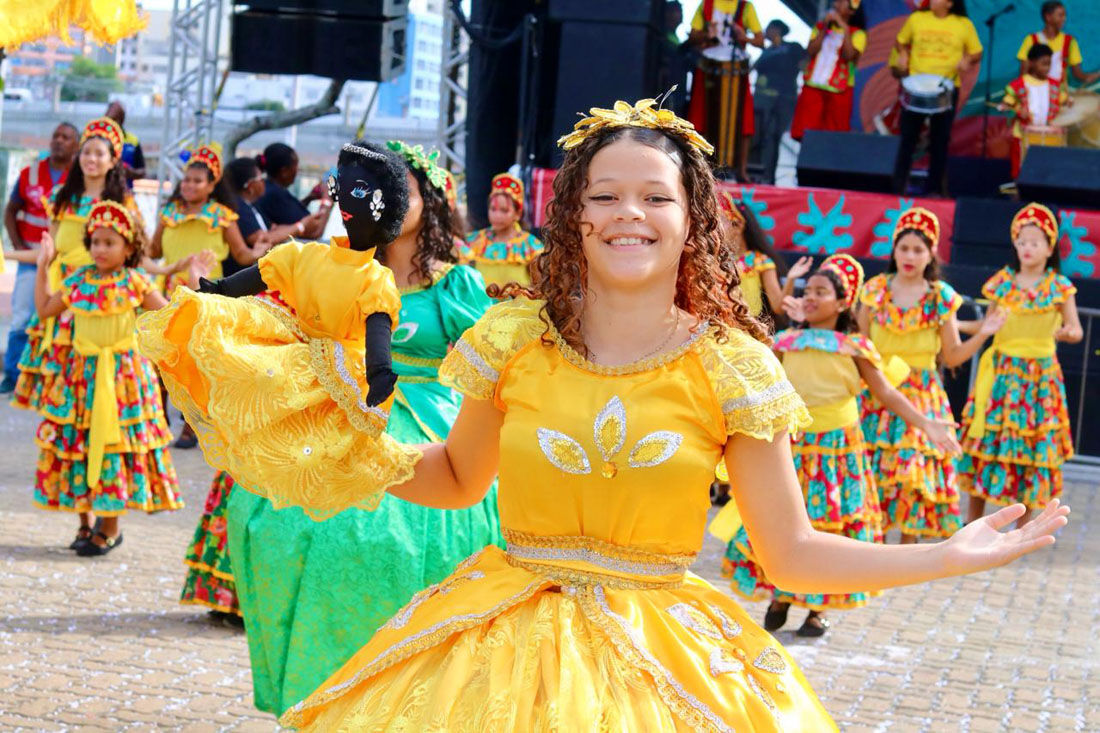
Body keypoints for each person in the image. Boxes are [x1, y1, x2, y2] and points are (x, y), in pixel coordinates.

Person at [236, 98, 1067, 730]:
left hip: (665, 657)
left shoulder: (731, 367)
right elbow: (456, 478)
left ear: (690, 219)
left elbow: (793, 551)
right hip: (491, 650)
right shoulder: (514, 338)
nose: (629, 213)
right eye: (605, 195)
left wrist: (945, 555)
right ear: (576, 215)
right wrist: (340, 435)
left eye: (654, 197)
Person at [142, 139, 502, 715]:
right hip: (335, 409)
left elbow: (493, 364)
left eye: (403, 187)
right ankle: (324, 692)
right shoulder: (332, 263)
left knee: (420, 550)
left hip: (426, 422)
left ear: (427, 201)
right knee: (292, 532)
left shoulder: (456, 285)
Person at [727, 254, 961, 637]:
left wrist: (926, 423)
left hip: (838, 454)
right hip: (794, 451)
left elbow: (886, 393)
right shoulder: (785, 342)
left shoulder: (855, 348)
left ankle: (817, 609)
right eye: (809, 291)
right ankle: (781, 595)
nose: (812, 297)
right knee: (786, 521)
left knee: (827, 527)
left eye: (822, 291)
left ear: (842, 303)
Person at [32, 201, 185, 554]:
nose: (100, 249)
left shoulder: (136, 282)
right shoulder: (78, 281)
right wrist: (44, 266)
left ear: (129, 248)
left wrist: (192, 283)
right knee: (79, 444)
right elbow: (44, 310)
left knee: (117, 447)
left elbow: (170, 318)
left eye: (109, 242)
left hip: (124, 380)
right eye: (95, 241)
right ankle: (85, 524)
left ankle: (111, 527)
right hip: (81, 377)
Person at [858, 207, 1005, 543]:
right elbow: (861, 345)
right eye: (904, 248)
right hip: (878, 390)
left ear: (931, 254)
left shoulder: (940, 297)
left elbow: (952, 355)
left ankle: (907, 552)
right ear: (894, 250)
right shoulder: (875, 290)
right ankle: (870, 549)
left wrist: (984, 333)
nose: (910, 256)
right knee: (874, 471)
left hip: (922, 394)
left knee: (914, 474)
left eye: (918, 249)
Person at [10, 118, 156, 421]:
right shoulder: (63, 199)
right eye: (87, 152)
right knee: (64, 385)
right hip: (62, 296)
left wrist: (168, 269)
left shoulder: (123, 203)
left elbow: (138, 254)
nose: (91, 159)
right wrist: (8, 254)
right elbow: (47, 251)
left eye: (99, 153)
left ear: (113, 159)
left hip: (102, 301)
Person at [959, 203, 1081, 529]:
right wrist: (952, 323)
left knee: (1029, 450)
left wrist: (1067, 333)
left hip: (1039, 377)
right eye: (1022, 241)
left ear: (1049, 248)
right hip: (1001, 374)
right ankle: (974, 522)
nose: (1027, 248)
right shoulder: (1003, 283)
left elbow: (1077, 329)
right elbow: (987, 324)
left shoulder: (1059, 287)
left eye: (1035, 242)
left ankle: (1022, 528)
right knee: (989, 444)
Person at [2, 122, 79, 394]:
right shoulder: (29, 173)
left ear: (76, 145)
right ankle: (13, 376)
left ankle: (43, 380)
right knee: (22, 317)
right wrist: (18, 245)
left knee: (54, 321)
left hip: (67, 265)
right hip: (31, 255)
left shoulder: (80, 178)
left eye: (66, 137)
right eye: (55, 135)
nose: (58, 141)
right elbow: (10, 211)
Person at [892, 0, 983, 196]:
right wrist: (902, 54)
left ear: (949, 3)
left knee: (939, 140)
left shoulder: (962, 24)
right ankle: (897, 186)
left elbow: (976, 51)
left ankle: (934, 189)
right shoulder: (917, 18)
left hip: (945, 87)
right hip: (916, 85)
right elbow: (901, 40)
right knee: (908, 138)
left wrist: (967, 59)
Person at [688, 0, 764, 180]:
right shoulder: (706, 5)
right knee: (700, 117)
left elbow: (760, 41)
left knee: (744, 119)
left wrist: (744, 37)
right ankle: (698, 168)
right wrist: (708, 34)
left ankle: (742, 171)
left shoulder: (746, 7)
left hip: (737, 70)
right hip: (708, 68)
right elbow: (692, 37)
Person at [790, 0, 866, 142]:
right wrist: (825, 28)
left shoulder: (858, 34)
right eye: (836, 1)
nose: (836, 5)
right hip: (813, 87)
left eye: (842, 2)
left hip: (840, 91)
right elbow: (811, 50)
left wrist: (845, 29)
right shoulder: (820, 27)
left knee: (832, 136)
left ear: (851, 11)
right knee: (806, 132)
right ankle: (806, 162)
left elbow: (849, 55)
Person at [462, 172, 544, 288]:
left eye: (504, 210)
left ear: (518, 214)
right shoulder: (475, 241)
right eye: (493, 209)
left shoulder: (530, 246)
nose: (497, 216)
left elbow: (539, 287)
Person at [1000, 44, 1071, 179]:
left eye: (1049, 64)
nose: (1047, 68)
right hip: (1022, 135)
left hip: (1047, 134)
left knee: (1046, 173)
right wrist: (1016, 109)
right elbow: (1006, 105)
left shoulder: (1054, 85)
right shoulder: (1019, 84)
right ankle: (1018, 197)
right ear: (1031, 63)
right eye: (1043, 64)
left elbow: (1064, 102)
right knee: (1020, 172)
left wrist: (1069, 102)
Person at [751, 20, 804, 184]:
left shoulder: (792, 47)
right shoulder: (765, 52)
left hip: (785, 99)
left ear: (777, 29)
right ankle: (764, 176)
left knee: (776, 136)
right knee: (762, 136)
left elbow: (805, 63)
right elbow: (753, 68)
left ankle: (770, 176)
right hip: (763, 100)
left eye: (769, 28)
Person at [253, 142, 330, 240]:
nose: (297, 170)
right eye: (295, 165)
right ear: (284, 171)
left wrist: (308, 199)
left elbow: (288, 215)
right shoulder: (275, 195)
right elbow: (315, 231)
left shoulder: (269, 188)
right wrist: (327, 197)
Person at [1016, 1, 1100, 90]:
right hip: (1034, 92)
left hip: (1059, 96)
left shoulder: (1070, 41)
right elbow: (1023, 74)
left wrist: (1096, 75)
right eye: (1060, 15)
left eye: (1065, 15)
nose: (1064, 19)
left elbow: (1078, 74)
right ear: (1048, 17)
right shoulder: (1031, 40)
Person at [105, 101, 146, 183]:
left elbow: (142, 171)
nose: (111, 123)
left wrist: (129, 172)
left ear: (122, 119)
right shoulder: (98, 138)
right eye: (109, 119)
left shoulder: (133, 141)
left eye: (115, 119)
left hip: (124, 192)